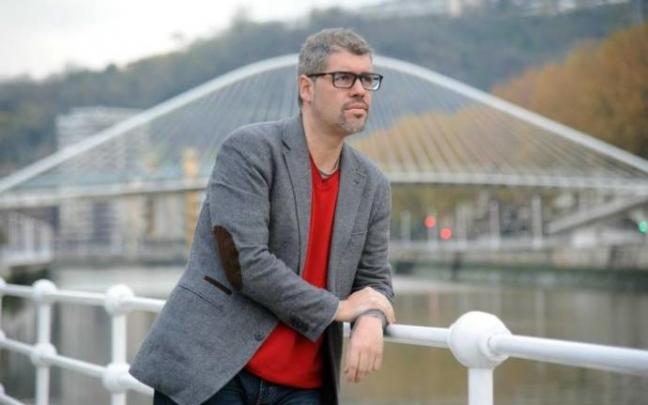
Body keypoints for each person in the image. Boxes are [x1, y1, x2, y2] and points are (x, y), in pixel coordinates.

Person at [129, 27, 395, 405]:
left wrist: (371, 317)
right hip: (214, 370)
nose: (360, 90)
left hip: (303, 388)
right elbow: (245, 262)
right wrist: (339, 309)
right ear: (306, 87)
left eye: (367, 79)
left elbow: (375, 281)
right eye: (343, 78)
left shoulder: (373, 185)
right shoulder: (250, 150)